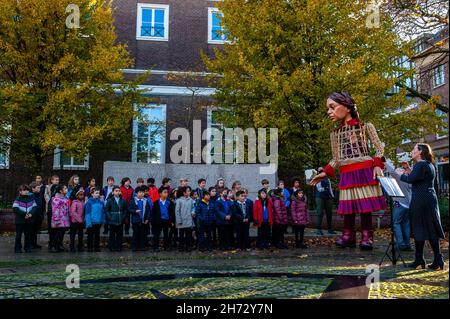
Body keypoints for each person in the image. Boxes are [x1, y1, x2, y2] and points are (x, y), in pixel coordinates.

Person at [311, 92, 386, 250]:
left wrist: (378, 165)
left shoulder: (366, 126)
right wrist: (325, 172)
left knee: (365, 207)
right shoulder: (335, 134)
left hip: (364, 170)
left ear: (346, 107)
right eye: (328, 109)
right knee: (348, 207)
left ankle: (367, 235)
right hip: (346, 172)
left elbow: (379, 149)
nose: (329, 112)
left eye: (332, 107)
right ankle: (348, 235)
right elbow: (336, 159)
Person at [400, 143, 445, 270]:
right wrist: (408, 169)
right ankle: (438, 259)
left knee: (419, 228)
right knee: (431, 229)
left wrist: (399, 174)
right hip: (429, 199)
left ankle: (419, 259)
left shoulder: (420, 165)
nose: (412, 151)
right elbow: (417, 178)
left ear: (420, 152)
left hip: (420, 200)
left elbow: (410, 180)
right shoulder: (428, 164)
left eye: (414, 149)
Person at [385, 160, 412, 251]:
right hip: (408, 204)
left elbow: (392, 171)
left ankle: (401, 244)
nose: (398, 170)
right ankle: (407, 244)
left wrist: (385, 162)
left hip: (400, 203)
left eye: (399, 170)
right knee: (406, 224)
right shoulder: (409, 179)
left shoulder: (400, 178)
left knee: (396, 223)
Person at [13, 185, 36, 253]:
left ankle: (27, 248)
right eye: (24, 190)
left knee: (28, 235)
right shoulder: (17, 199)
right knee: (18, 236)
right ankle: (17, 248)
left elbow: (34, 207)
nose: (26, 191)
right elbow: (15, 209)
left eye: (27, 190)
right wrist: (24, 214)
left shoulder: (31, 198)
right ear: (20, 191)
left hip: (29, 220)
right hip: (20, 220)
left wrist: (30, 214)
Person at [151, 186, 175, 251]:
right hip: (158, 221)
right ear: (160, 194)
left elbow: (172, 212)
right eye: (164, 192)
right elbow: (153, 213)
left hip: (166, 221)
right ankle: (155, 247)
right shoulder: (156, 203)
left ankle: (166, 246)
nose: (166, 194)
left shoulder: (169, 202)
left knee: (166, 234)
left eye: (167, 192)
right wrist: (153, 222)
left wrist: (171, 221)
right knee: (156, 235)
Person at [105, 186, 128, 252]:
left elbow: (125, 210)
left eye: (119, 191)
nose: (118, 192)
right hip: (112, 220)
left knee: (119, 234)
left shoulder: (123, 200)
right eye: (116, 191)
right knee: (112, 234)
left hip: (120, 219)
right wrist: (110, 217)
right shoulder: (110, 200)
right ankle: (111, 246)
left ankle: (118, 246)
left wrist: (123, 216)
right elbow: (107, 210)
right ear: (113, 192)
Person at [129, 186, 152, 251]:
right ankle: (134, 246)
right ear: (136, 193)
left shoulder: (145, 200)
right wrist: (135, 211)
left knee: (142, 233)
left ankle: (142, 246)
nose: (141, 194)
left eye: (142, 192)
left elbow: (148, 210)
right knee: (135, 233)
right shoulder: (133, 201)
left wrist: (147, 219)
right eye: (139, 192)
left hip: (143, 220)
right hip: (135, 220)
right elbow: (129, 209)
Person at [315, 167, 335, 236]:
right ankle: (318, 229)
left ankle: (330, 229)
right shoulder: (317, 178)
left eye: (322, 170)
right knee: (320, 213)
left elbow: (330, 188)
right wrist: (324, 188)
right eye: (319, 170)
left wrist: (332, 196)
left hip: (328, 197)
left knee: (329, 213)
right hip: (320, 197)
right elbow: (319, 189)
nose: (321, 171)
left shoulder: (327, 179)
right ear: (318, 172)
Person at [175, 186, 196, 252]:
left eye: (189, 191)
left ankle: (188, 246)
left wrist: (193, 212)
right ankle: (181, 247)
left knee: (188, 235)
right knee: (181, 235)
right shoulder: (179, 200)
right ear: (184, 193)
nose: (189, 192)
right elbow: (177, 211)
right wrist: (179, 220)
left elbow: (193, 207)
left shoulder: (191, 200)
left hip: (189, 220)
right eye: (188, 191)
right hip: (181, 221)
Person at [51, 185, 71, 252]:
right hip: (59, 218)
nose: (66, 189)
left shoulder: (66, 198)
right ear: (60, 191)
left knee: (62, 232)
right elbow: (55, 210)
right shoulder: (56, 199)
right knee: (58, 232)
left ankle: (59, 245)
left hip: (65, 218)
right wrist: (56, 218)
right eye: (65, 188)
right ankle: (53, 245)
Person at [85, 188, 105, 252]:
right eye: (96, 193)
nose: (98, 194)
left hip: (98, 222)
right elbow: (87, 213)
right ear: (92, 194)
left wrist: (102, 220)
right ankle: (90, 247)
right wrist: (88, 222)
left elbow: (103, 212)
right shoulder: (89, 202)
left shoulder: (101, 202)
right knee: (90, 236)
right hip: (91, 222)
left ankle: (97, 247)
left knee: (97, 236)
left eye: (98, 193)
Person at [44, 175, 59, 251]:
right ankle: (51, 244)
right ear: (51, 180)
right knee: (51, 227)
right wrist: (52, 201)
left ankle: (56, 244)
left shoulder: (59, 187)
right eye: (55, 180)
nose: (57, 181)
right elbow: (46, 196)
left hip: (57, 211)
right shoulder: (47, 187)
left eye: (58, 180)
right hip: (50, 209)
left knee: (56, 228)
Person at [29, 182, 44, 249]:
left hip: (38, 216)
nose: (39, 189)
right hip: (32, 216)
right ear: (33, 189)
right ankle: (30, 244)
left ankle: (34, 244)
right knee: (31, 231)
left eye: (39, 187)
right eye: (38, 188)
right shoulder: (30, 196)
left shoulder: (39, 195)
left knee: (35, 231)